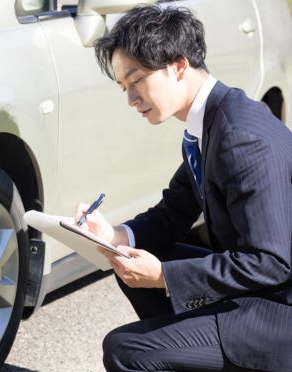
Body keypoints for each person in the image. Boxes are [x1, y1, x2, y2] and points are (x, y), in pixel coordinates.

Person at [75, 4, 292, 371]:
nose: (130, 99)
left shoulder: (238, 136)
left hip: (277, 315)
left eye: (137, 79)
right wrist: (115, 236)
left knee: (125, 350)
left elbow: (272, 263)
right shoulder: (210, 121)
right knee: (131, 260)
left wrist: (163, 276)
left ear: (178, 66)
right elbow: (174, 211)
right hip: (259, 292)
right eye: (123, 87)